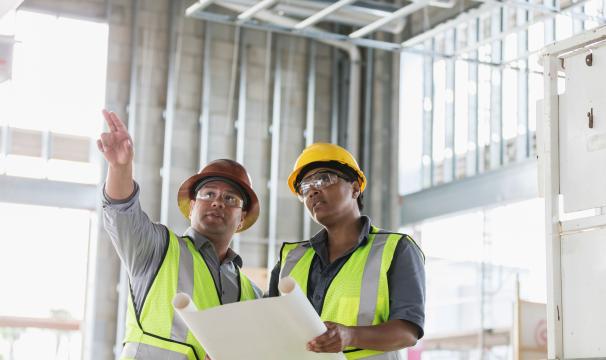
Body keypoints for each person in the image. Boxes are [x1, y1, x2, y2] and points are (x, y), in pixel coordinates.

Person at [98, 110, 262, 360]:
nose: (217, 202)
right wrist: (120, 167)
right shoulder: (156, 250)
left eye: (230, 198)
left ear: (241, 219)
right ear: (192, 207)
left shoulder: (253, 295)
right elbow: (121, 211)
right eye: (208, 194)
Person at [268, 142, 426, 360]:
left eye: (323, 179)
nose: (312, 191)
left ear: (355, 188)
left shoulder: (396, 249)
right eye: (305, 187)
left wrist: (350, 335)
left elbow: (408, 332)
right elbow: (270, 329)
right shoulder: (291, 259)